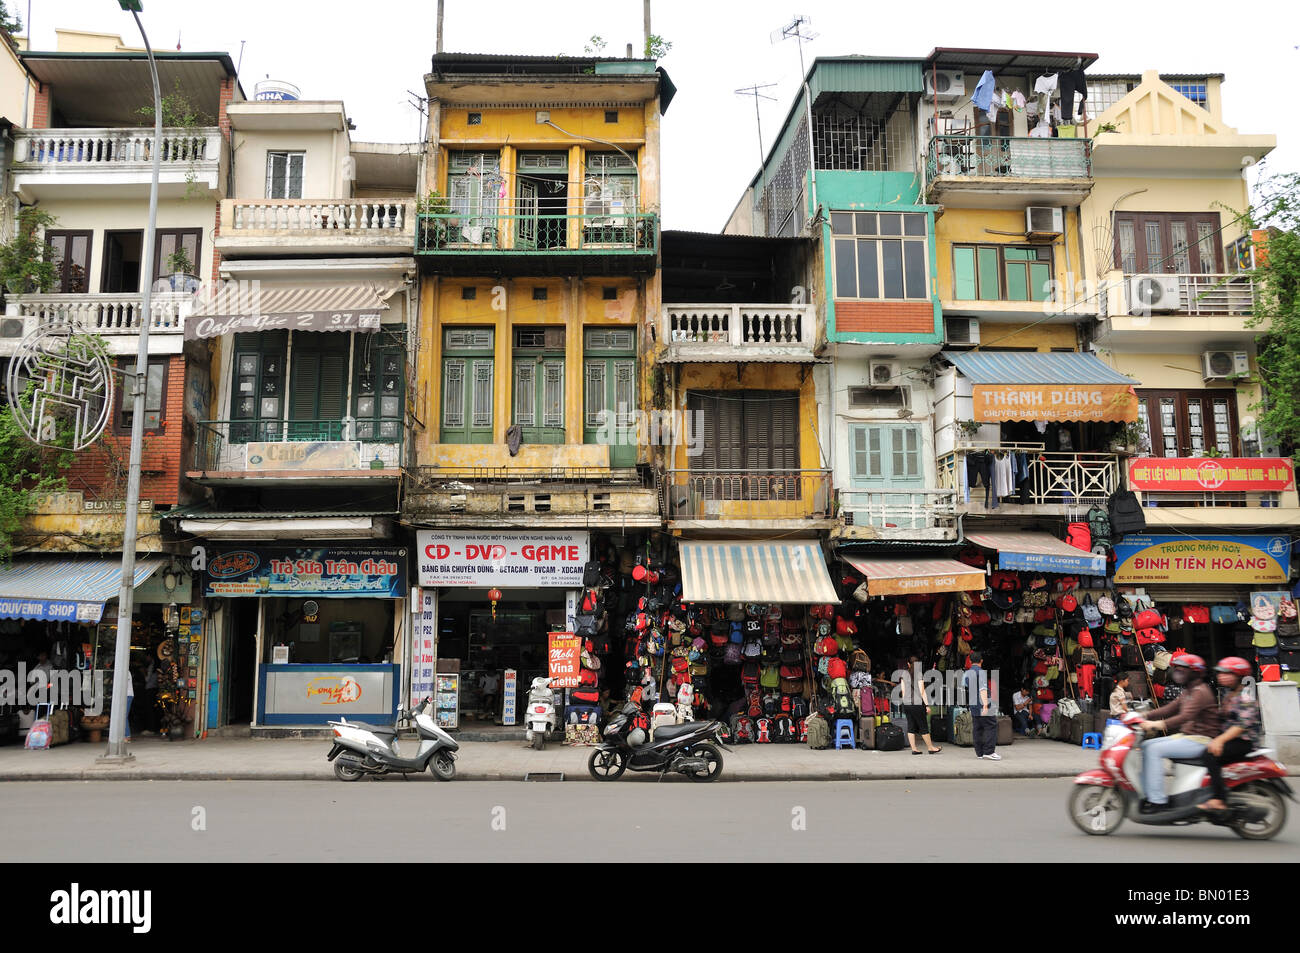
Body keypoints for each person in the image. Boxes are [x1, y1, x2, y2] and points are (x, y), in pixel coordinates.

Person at [1136, 654, 1219, 814]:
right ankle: (1148, 794)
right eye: (1178, 670)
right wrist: (1144, 716)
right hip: (1188, 737)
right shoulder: (1189, 691)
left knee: (1154, 749)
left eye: (1183, 670)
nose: (1179, 673)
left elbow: (1184, 716)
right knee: (1147, 745)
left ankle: (1158, 801)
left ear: (1194, 673)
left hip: (1201, 740)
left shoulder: (1200, 691)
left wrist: (1158, 724)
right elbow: (1170, 708)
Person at [1198, 657, 1261, 814]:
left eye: (1227, 673)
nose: (1221, 676)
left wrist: (1219, 740)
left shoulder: (1246, 695)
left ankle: (1219, 799)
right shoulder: (1230, 693)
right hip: (1232, 737)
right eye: (1221, 673)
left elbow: (1242, 725)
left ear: (1239, 675)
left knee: (1209, 755)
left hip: (1243, 741)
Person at [963, 651, 1000, 761]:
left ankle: (979, 752)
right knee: (991, 725)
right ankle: (989, 752)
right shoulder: (981, 672)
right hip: (982, 702)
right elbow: (982, 689)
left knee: (977, 727)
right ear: (981, 661)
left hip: (973, 703)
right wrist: (985, 705)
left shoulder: (967, 673)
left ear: (970, 661)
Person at [901, 657, 941, 755]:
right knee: (923, 726)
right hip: (917, 704)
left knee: (911, 726)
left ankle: (914, 749)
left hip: (907, 704)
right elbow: (922, 692)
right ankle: (930, 747)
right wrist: (927, 705)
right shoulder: (918, 675)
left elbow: (903, 691)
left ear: (908, 664)